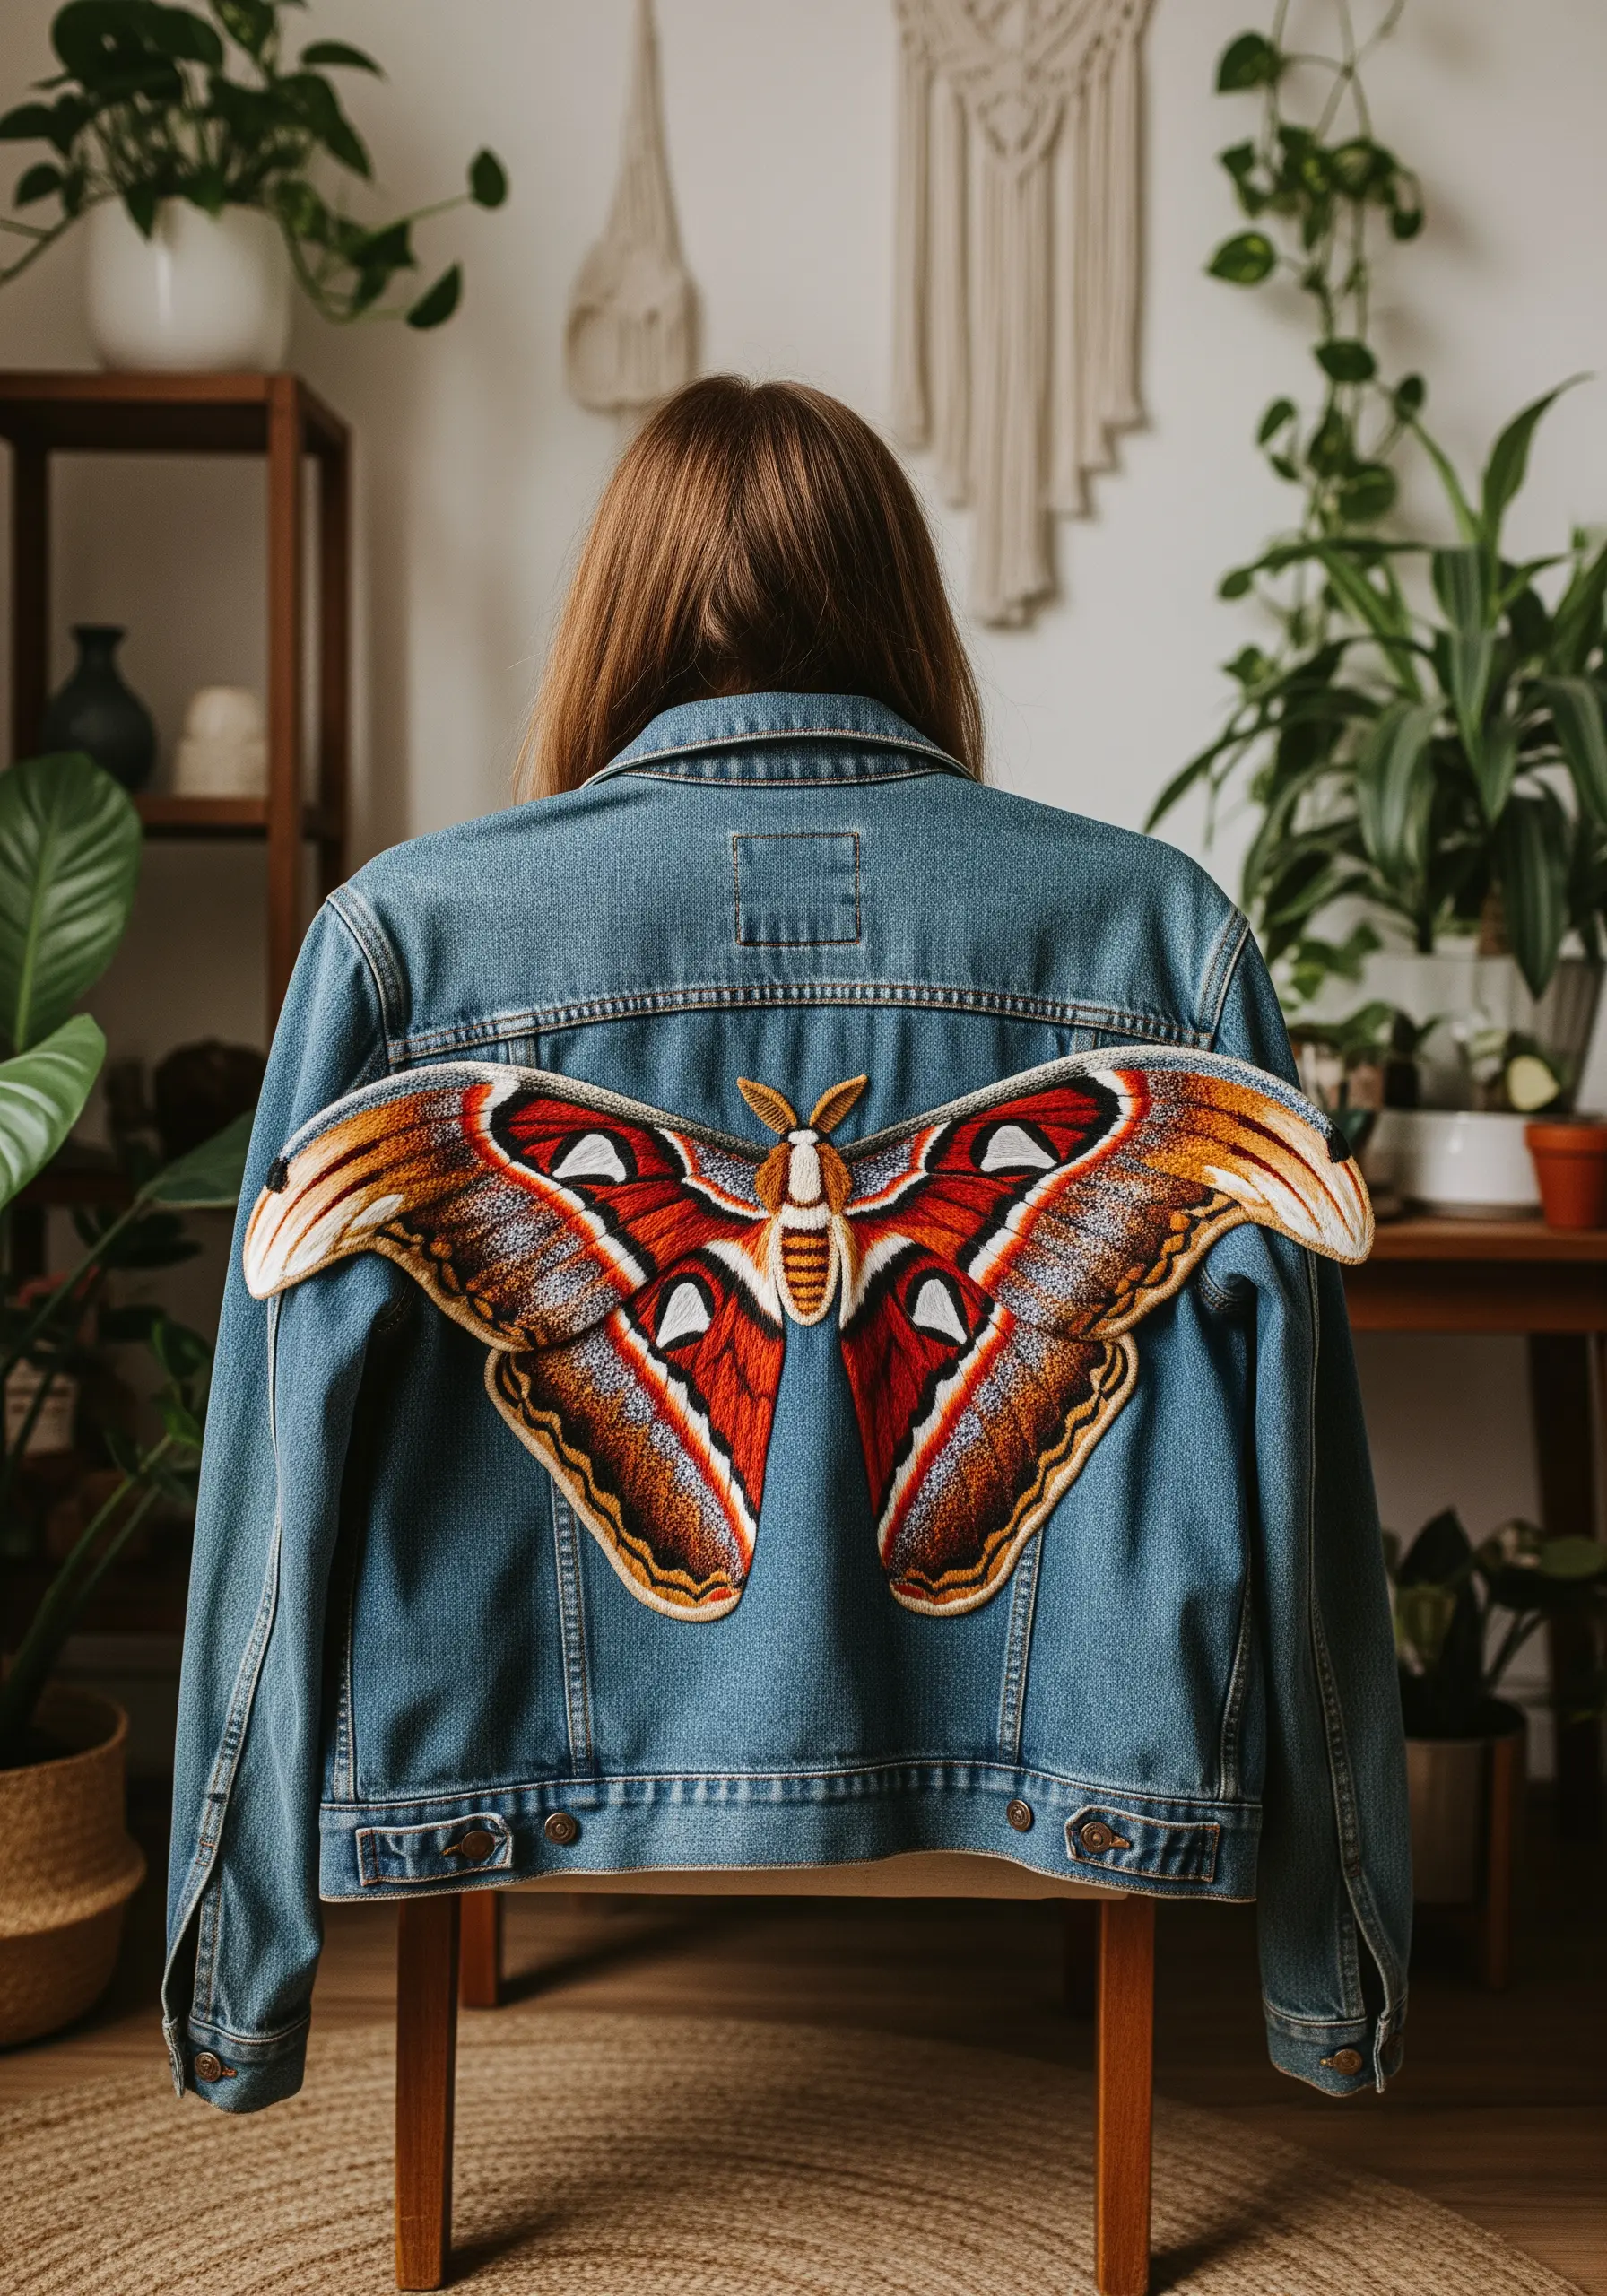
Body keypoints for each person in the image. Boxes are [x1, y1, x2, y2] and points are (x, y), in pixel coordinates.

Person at [166, 375, 1409, 2117]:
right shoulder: (1152, 932)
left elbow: (271, 1474)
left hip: (526, 1734)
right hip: (1050, 1730)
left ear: (609, 621)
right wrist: (1331, 1953)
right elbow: (1300, 1456)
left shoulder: (409, 937)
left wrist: (239, 1979)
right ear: (902, 611)